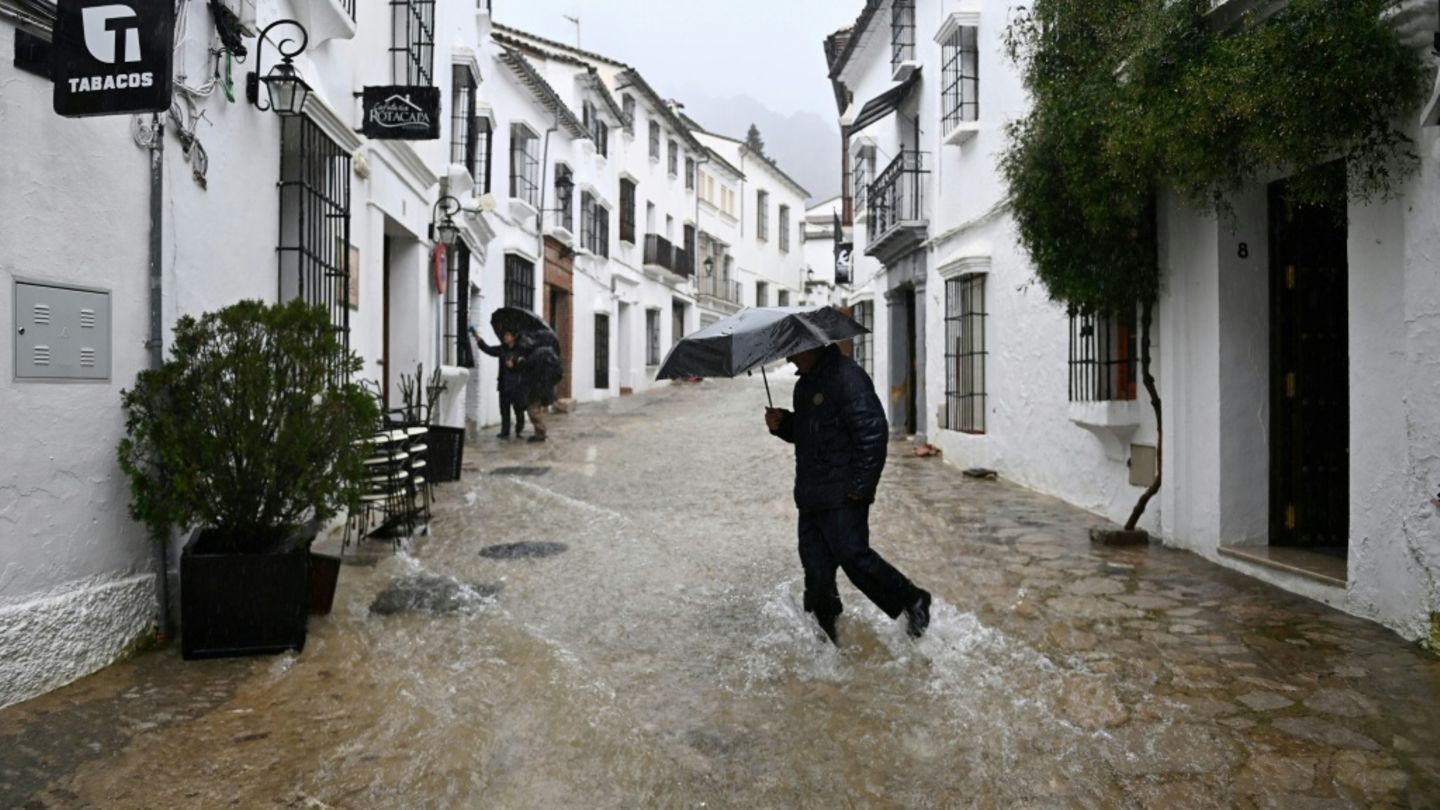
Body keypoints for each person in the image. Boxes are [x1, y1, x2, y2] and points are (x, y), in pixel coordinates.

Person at [764, 343, 931, 645]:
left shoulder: (848, 377)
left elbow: (873, 431)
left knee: (855, 559)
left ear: (810, 348)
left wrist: (861, 488)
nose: (788, 358)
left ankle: (913, 599)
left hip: (843, 493)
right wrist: (783, 425)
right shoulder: (804, 387)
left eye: (793, 351)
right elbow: (809, 434)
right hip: (811, 495)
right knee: (815, 571)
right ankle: (826, 635)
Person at [471, 327, 527, 439]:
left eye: (507, 335)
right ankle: (505, 431)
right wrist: (477, 338)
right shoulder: (502, 349)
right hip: (504, 385)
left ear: (513, 337)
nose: (505, 337)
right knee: (504, 410)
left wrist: (514, 364)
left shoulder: (521, 350)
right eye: (504, 335)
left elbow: (525, 364)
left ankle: (519, 429)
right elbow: (489, 350)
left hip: (517, 386)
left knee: (518, 410)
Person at [519, 339, 562, 443]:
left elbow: (529, 367)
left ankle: (541, 432)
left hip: (536, 387)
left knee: (532, 410)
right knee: (535, 409)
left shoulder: (537, 354)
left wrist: (521, 361)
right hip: (544, 387)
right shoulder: (549, 353)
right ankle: (539, 432)